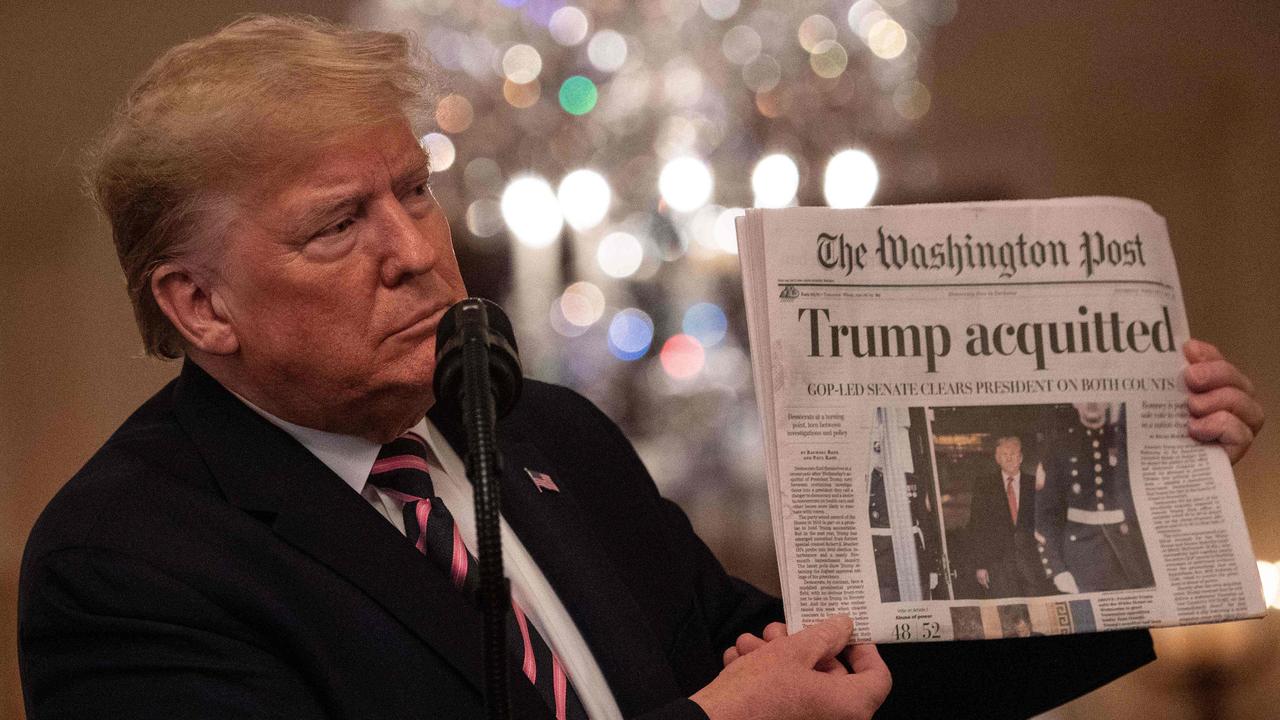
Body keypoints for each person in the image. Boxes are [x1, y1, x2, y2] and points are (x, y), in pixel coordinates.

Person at [16, 15, 1263, 720]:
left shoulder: (543, 432)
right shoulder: (124, 561)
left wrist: (1135, 510)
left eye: (415, 194)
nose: (416, 253)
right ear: (198, 303)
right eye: (339, 224)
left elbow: (815, 672)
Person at [1035, 403, 1153, 594]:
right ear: (1074, 402)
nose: (1092, 402)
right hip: (1080, 555)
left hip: (1128, 555)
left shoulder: (1127, 441)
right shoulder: (1059, 447)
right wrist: (1057, 569)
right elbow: (1046, 516)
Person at [969, 437, 1047, 598]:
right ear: (997, 459)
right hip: (999, 565)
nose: (1009, 457)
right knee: (1009, 613)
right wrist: (980, 565)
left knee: (1037, 609)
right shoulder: (984, 486)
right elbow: (976, 527)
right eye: (1004, 454)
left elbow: (1047, 522)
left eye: (1013, 453)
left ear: (1021, 458)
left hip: (1033, 561)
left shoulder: (1035, 484)